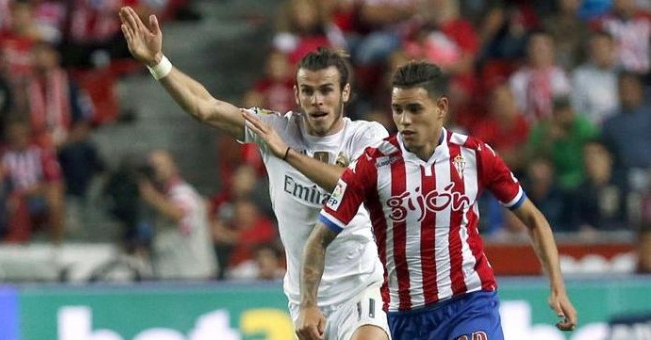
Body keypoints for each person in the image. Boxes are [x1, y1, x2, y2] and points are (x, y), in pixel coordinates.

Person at [119, 7, 390, 339]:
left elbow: (354, 184)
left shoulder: (367, 136)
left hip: (362, 285)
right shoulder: (275, 128)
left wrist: (287, 154)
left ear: (345, 93)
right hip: (306, 295)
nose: (316, 100)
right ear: (296, 94)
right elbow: (206, 107)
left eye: (326, 90)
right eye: (308, 91)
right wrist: (157, 62)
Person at [297, 61, 577, 340]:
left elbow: (533, 219)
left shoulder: (474, 155)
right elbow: (318, 239)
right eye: (398, 109)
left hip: (469, 302)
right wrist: (308, 304)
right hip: (405, 317)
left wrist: (557, 286)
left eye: (415, 109)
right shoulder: (371, 165)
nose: (404, 120)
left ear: (441, 108)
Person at [139, 149, 218, 280]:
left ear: (174, 167)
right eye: (152, 166)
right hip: (171, 276)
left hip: (194, 277)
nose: (156, 169)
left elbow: (178, 214)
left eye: (160, 165)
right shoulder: (160, 198)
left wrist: (148, 194)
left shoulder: (183, 192)